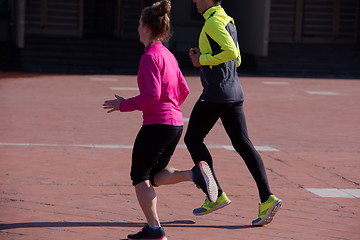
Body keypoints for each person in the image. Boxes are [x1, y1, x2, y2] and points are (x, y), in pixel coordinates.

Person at [103, 1, 218, 239]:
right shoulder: (168, 55)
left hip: (158, 125)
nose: (137, 27)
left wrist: (123, 104)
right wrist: (172, 109)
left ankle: (155, 229)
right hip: (175, 124)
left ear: (146, 28)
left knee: (139, 177)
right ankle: (193, 174)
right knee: (156, 175)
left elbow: (152, 95)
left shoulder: (149, 57)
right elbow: (184, 89)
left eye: (138, 23)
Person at [186, 0, 282, 226]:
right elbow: (237, 57)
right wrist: (206, 57)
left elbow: (229, 52)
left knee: (192, 139)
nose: (194, 1)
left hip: (217, 93)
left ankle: (215, 195)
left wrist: (202, 60)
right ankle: (267, 198)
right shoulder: (227, 19)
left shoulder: (212, 22)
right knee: (243, 143)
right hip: (234, 91)